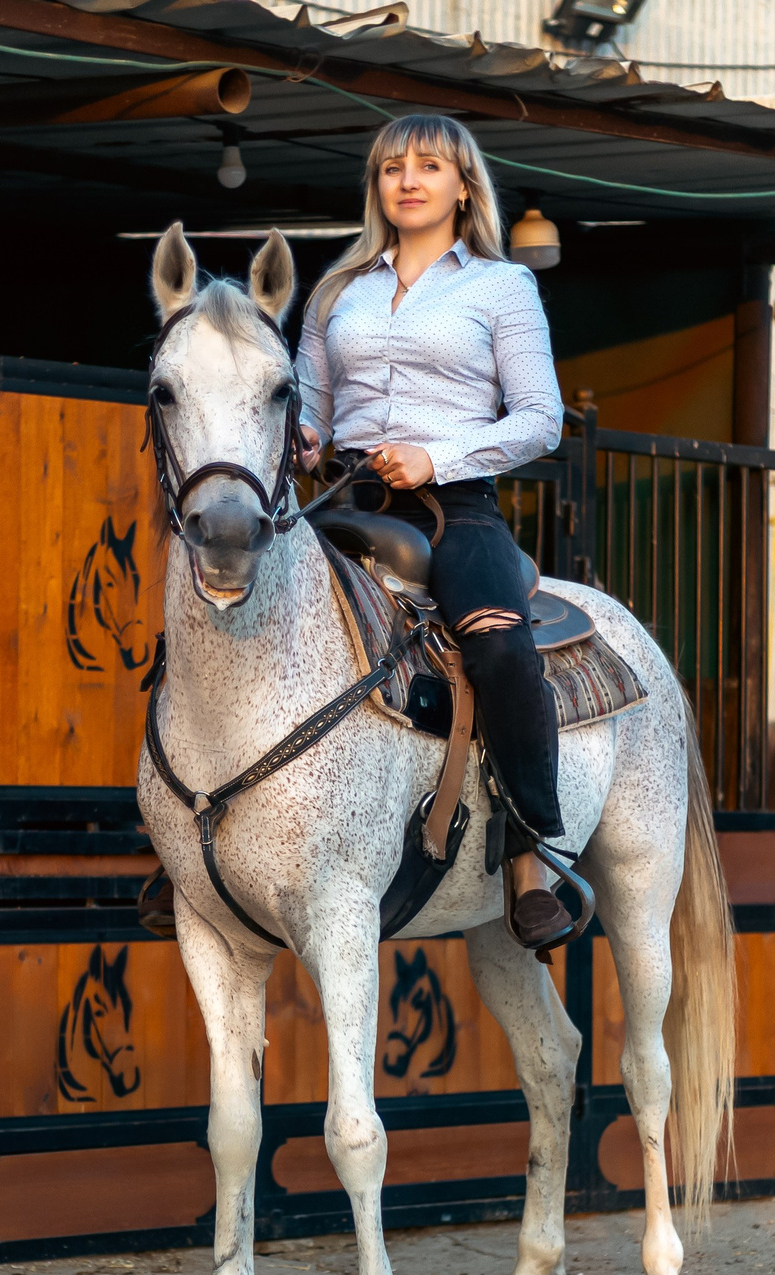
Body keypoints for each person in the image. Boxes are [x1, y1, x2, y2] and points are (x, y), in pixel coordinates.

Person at [293, 114, 569, 950]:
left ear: (463, 187)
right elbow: (311, 407)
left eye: (428, 167)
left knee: (496, 646)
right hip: (343, 502)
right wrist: (301, 439)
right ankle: (187, 841)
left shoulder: (501, 287)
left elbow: (541, 419)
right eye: (390, 169)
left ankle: (530, 855)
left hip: (455, 507)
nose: (407, 181)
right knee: (232, 606)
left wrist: (435, 454)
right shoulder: (337, 288)